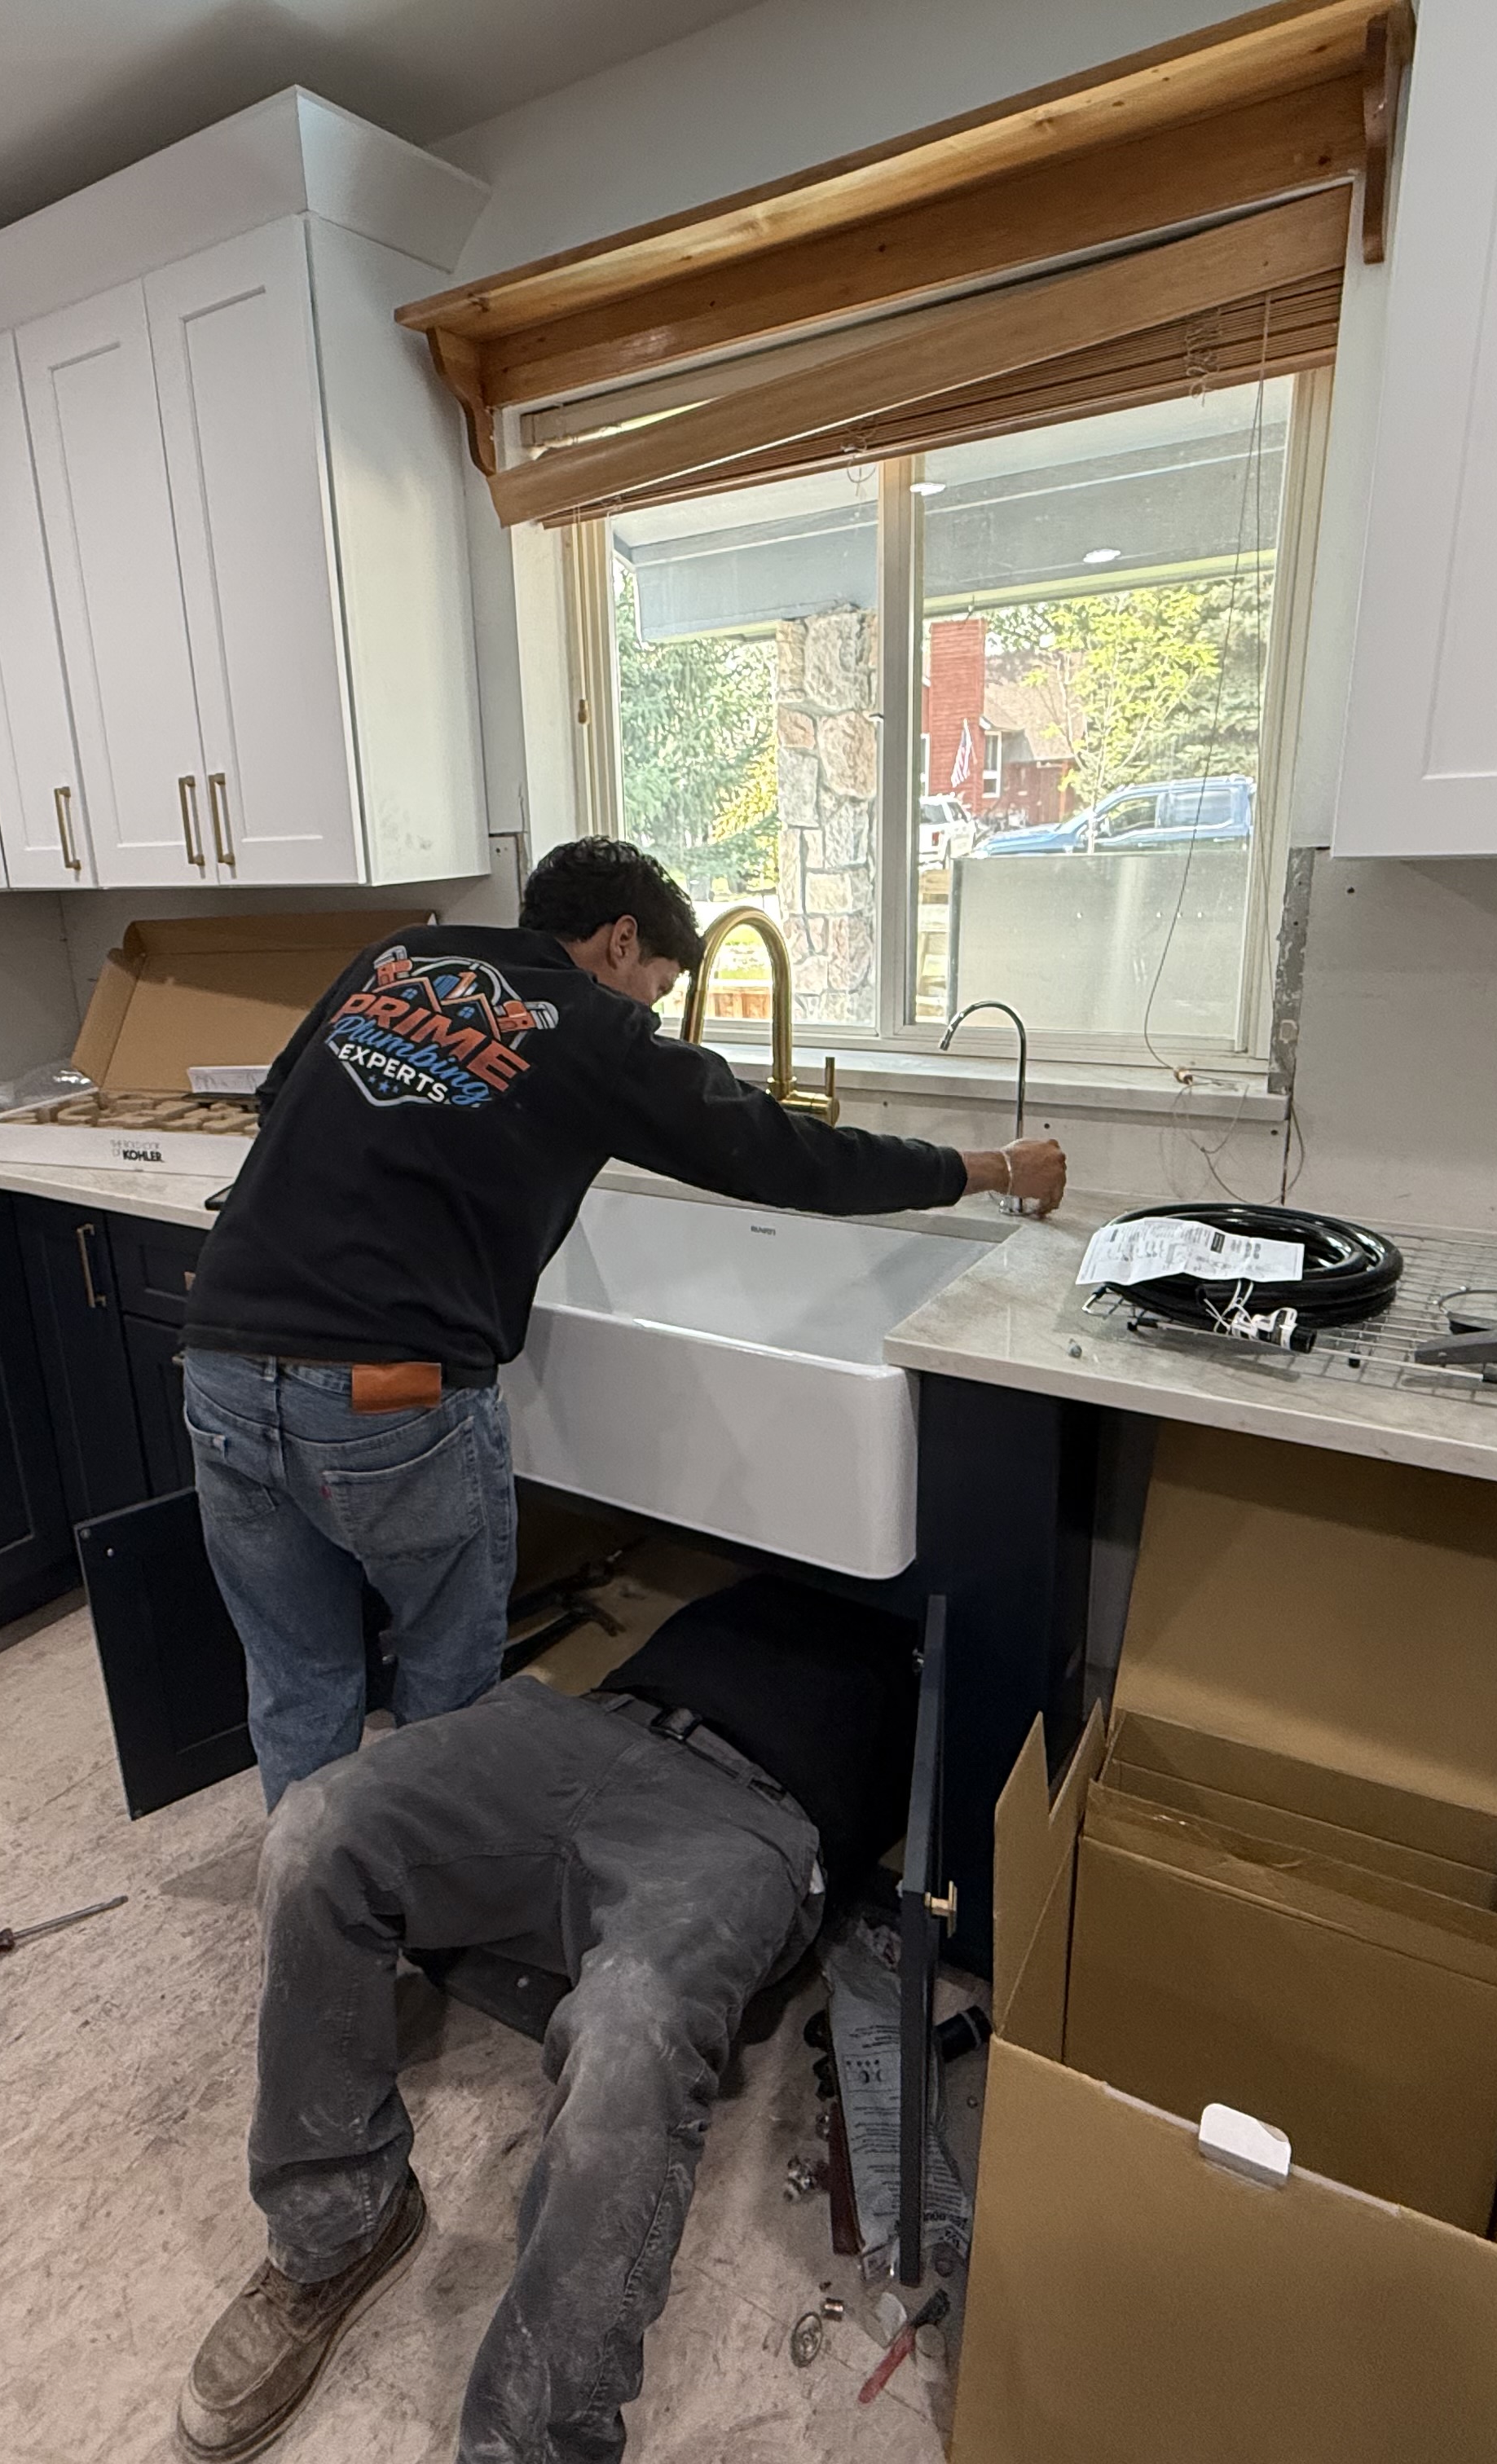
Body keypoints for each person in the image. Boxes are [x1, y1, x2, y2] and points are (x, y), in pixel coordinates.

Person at [179, 839, 1066, 1802]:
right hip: (389, 1392)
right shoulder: (594, 1031)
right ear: (620, 940)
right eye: (655, 986)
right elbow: (793, 1159)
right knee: (446, 1686)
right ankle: (432, 1908)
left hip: (221, 1355)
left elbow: (280, 1098)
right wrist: (989, 1168)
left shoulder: (399, 957)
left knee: (298, 1679)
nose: (647, 1010)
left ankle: (317, 1912)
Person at [177, 1576, 921, 2463]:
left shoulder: (927, 1643)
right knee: (313, 1833)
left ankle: (533, 2444)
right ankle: (338, 2227)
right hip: (581, 1726)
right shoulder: (754, 1572)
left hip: (753, 1812)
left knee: (632, 2029)